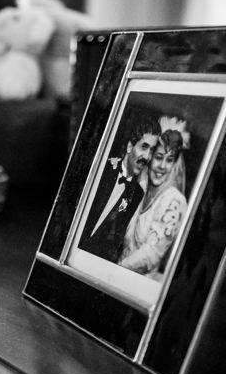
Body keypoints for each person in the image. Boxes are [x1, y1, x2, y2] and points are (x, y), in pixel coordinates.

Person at [77, 115, 160, 263]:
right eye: (144, 147)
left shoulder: (137, 194)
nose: (147, 157)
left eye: (152, 150)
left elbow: (115, 239)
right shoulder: (102, 169)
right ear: (129, 147)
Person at [119, 116, 190, 280]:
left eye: (170, 160)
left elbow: (151, 254)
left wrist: (115, 269)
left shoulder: (175, 201)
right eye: (158, 157)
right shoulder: (141, 187)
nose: (162, 166)